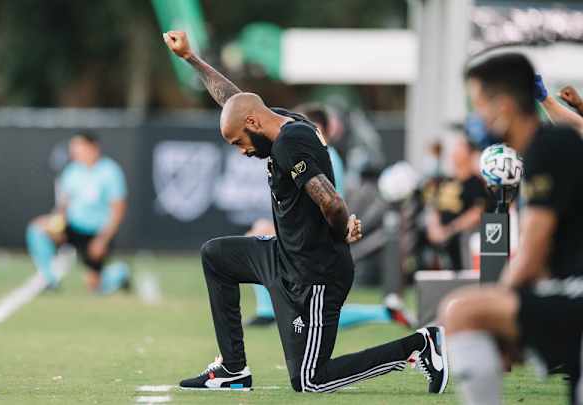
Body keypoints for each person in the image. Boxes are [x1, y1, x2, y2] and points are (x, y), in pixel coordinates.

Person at [163, 30, 448, 394]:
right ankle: (232, 369)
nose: (241, 151)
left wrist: (344, 228)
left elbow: (331, 202)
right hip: (282, 256)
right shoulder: (276, 119)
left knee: (310, 379)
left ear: (252, 125)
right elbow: (234, 100)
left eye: (238, 143)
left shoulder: (289, 143)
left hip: (315, 274)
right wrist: (191, 58)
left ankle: (418, 346)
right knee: (216, 256)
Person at [439, 53, 583, 405]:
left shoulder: (550, 149)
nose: (477, 118)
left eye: (479, 106)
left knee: (463, 312)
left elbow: (531, 256)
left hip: (575, 293)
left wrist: (501, 316)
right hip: (567, 289)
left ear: (503, 106)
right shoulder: (546, 148)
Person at [245, 104, 414, 330]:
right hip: (313, 235)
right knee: (313, 313)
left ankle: (268, 311)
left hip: (315, 240)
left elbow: (330, 204)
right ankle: (385, 313)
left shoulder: (319, 154)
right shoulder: (315, 152)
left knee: (314, 314)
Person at [26, 133, 130, 293]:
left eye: (79, 147)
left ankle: (119, 273)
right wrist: (57, 225)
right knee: (37, 229)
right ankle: (49, 280)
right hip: (73, 227)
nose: (75, 152)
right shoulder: (72, 171)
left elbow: (118, 211)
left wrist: (102, 240)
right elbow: (63, 206)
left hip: (96, 234)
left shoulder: (110, 171)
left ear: (93, 148)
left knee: (95, 287)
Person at [425, 134, 488, 270]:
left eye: (460, 147)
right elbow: (434, 209)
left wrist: (451, 229)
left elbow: (477, 212)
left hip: (462, 237)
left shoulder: (476, 183)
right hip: (440, 237)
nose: (455, 151)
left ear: (470, 153)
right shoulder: (444, 181)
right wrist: (434, 229)